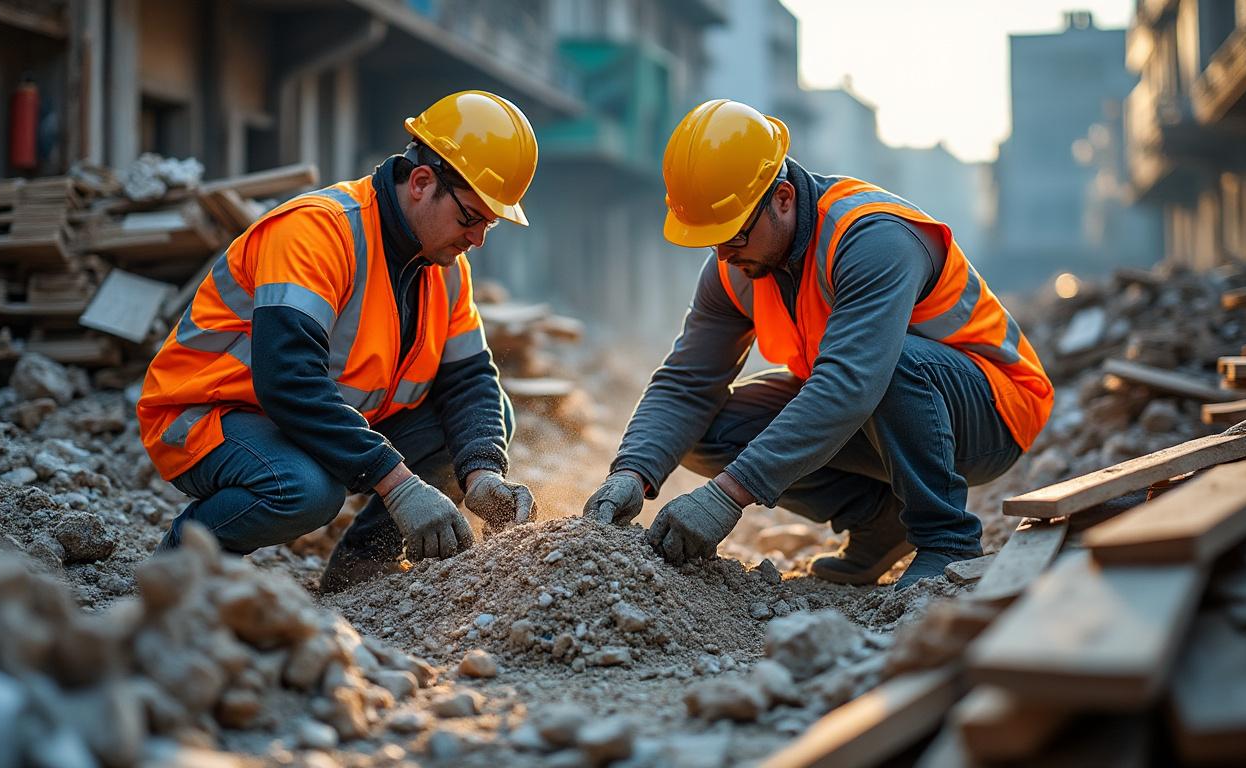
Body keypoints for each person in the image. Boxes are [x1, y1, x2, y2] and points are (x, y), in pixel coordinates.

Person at [583, 99, 1053, 589]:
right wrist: (633, 471)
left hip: (991, 413)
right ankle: (879, 524)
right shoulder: (736, 264)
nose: (723, 253)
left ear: (783, 198)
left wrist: (726, 495)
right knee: (704, 427)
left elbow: (852, 381)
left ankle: (947, 538)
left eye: (733, 235)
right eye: (712, 240)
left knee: (888, 363)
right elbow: (687, 383)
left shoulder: (874, 239)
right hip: (877, 408)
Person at [138, 90, 540, 591]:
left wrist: (481, 473)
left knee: (485, 420)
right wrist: (399, 484)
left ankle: (358, 582)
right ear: (421, 182)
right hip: (208, 415)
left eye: (489, 224)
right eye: (469, 217)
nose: (477, 238)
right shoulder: (318, 232)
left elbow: (472, 379)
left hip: (306, 420)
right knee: (305, 490)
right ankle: (175, 569)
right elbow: (288, 382)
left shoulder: (446, 268)